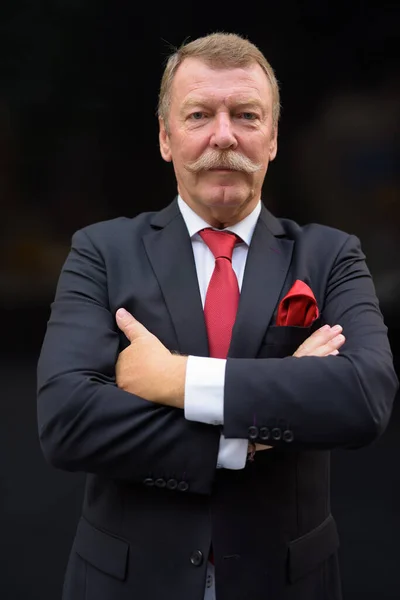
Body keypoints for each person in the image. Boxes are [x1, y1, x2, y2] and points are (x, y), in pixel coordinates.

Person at [36, 32, 398, 600]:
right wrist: (246, 439)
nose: (223, 136)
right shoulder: (101, 253)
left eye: (247, 115)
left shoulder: (330, 256)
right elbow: (68, 422)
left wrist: (175, 380)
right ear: (165, 137)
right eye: (200, 114)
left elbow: (363, 397)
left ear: (273, 138)